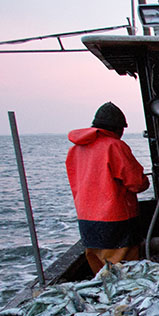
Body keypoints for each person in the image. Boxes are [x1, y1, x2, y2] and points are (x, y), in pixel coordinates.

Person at [65, 102, 150, 273]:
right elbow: (136, 183)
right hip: (116, 222)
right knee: (126, 275)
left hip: (87, 223)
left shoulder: (75, 150)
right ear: (119, 129)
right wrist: (145, 180)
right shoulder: (114, 146)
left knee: (102, 276)